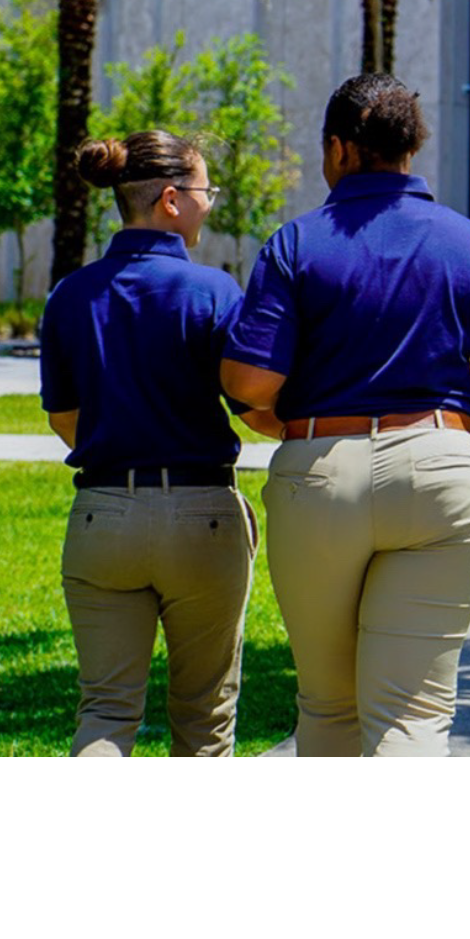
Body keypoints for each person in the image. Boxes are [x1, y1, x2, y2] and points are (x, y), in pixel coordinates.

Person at [221, 73, 470, 757]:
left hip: (321, 475)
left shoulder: (296, 244)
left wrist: (295, 416)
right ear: (410, 148)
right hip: (442, 469)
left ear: (338, 149)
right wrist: (447, 414)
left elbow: (251, 381)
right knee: (412, 715)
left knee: (330, 707)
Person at [39, 131, 275, 758]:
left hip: (102, 516)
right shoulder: (216, 292)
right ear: (170, 199)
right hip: (203, 518)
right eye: (205, 191)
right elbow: (254, 407)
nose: (210, 204)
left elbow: (68, 421)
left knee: (106, 712)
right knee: (204, 721)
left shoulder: (70, 295)